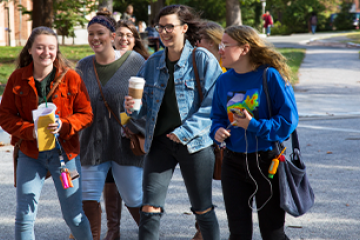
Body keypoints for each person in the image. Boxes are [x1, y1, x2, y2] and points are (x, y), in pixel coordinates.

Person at [124, 5, 222, 240]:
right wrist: (134, 109)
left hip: (195, 144)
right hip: (159, 142)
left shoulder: (203, 59)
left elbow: (214, 105)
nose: (164, 32)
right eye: (161, 27)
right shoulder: (153, 62)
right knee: (149, 207)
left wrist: (184, 131)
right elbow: (145, 108)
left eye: (170, 26)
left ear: (184, 28)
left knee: (202, 208)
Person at [0, 26, 93, 240]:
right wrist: (29, 131)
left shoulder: (71, 78)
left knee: (74, 216)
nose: (46, 52)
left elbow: (86, 114)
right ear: (30, 50)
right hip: (30, 154)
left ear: (57, 50)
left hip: (65, 156)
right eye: (40, 47)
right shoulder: (17, 78)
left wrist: (64, 125)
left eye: (51, 48)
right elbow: (5, 116)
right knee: (24, 215)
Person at [210, 25, 298, 240]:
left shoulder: (270, 76)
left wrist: (254, 126)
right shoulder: (223, 80)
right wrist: (217, 130)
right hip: (232, 163)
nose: (220, 50)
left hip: (267, 163)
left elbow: (288, 122)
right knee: (238, 233)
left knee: (272, 233)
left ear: (245, 49)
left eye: (225, 45)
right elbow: (217, 117)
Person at [76, 10, 146, 240]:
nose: (95, 38)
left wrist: (137, 121)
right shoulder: (83, 66)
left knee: (134, 197)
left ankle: (149, 234)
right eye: (91, 34)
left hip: (125, 144)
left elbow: (153, 102)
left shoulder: (135, 62)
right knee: (87, 197)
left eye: (101, 33)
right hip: (91, 144)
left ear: (112, 35)